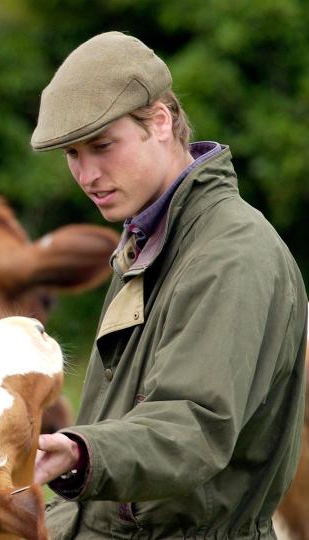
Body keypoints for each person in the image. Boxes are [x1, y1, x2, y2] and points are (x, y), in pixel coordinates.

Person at [31, 31, 307, 538]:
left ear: (160, 121)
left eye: (102, 146)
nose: (87, 174)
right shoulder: (151, 236)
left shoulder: (232, 255)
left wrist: (80, 453)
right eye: (72, 154)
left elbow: (193, 424)